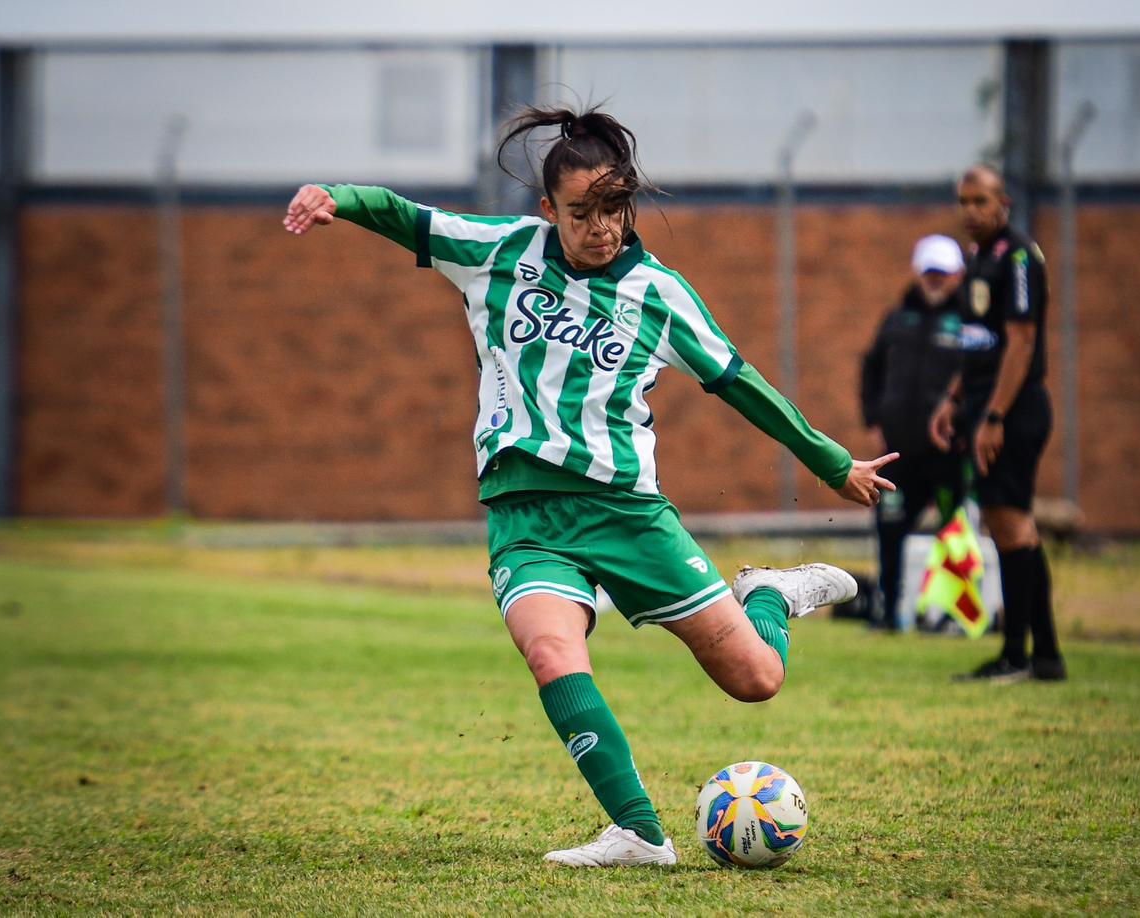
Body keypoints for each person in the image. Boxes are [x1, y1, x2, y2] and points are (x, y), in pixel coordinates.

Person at [283, 106, 898, 867]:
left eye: (614, 208)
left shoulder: (660, 293)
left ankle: (769, 594)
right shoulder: (499, 252)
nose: (601, 227)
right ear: (549, 209)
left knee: (757, 679)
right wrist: (335, 197)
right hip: (527, 515)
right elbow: (403, 215)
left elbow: (740, 382)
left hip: (627, 514)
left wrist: (833, 462)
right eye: (581, 212)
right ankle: (640, 834)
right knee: (551, 652)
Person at [930, 164, 1067, 683]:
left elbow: (1021, 342)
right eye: (963, 201)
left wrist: (994, 416)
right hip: (984, 407)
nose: (970, 211)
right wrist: (954, 399)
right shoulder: (978, 259)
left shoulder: (1017, 257)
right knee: (1011, 527)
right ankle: (1044, 655)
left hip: (1014, 409)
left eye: (980, 201)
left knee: (1012, 526)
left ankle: (1017, 654)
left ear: (1003, 203)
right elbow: (979, 343)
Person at [860, 234, 967, 630]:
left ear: (957, 275)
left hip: (947, 453)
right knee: (890, 527)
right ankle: (889, 611)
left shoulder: (969, 322)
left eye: (943, 272)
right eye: (929, 271)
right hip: (899, 451)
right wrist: (874, 418)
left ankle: (953, 614)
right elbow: (871, 368)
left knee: (955, 531)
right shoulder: (897, 320)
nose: (935, 279)